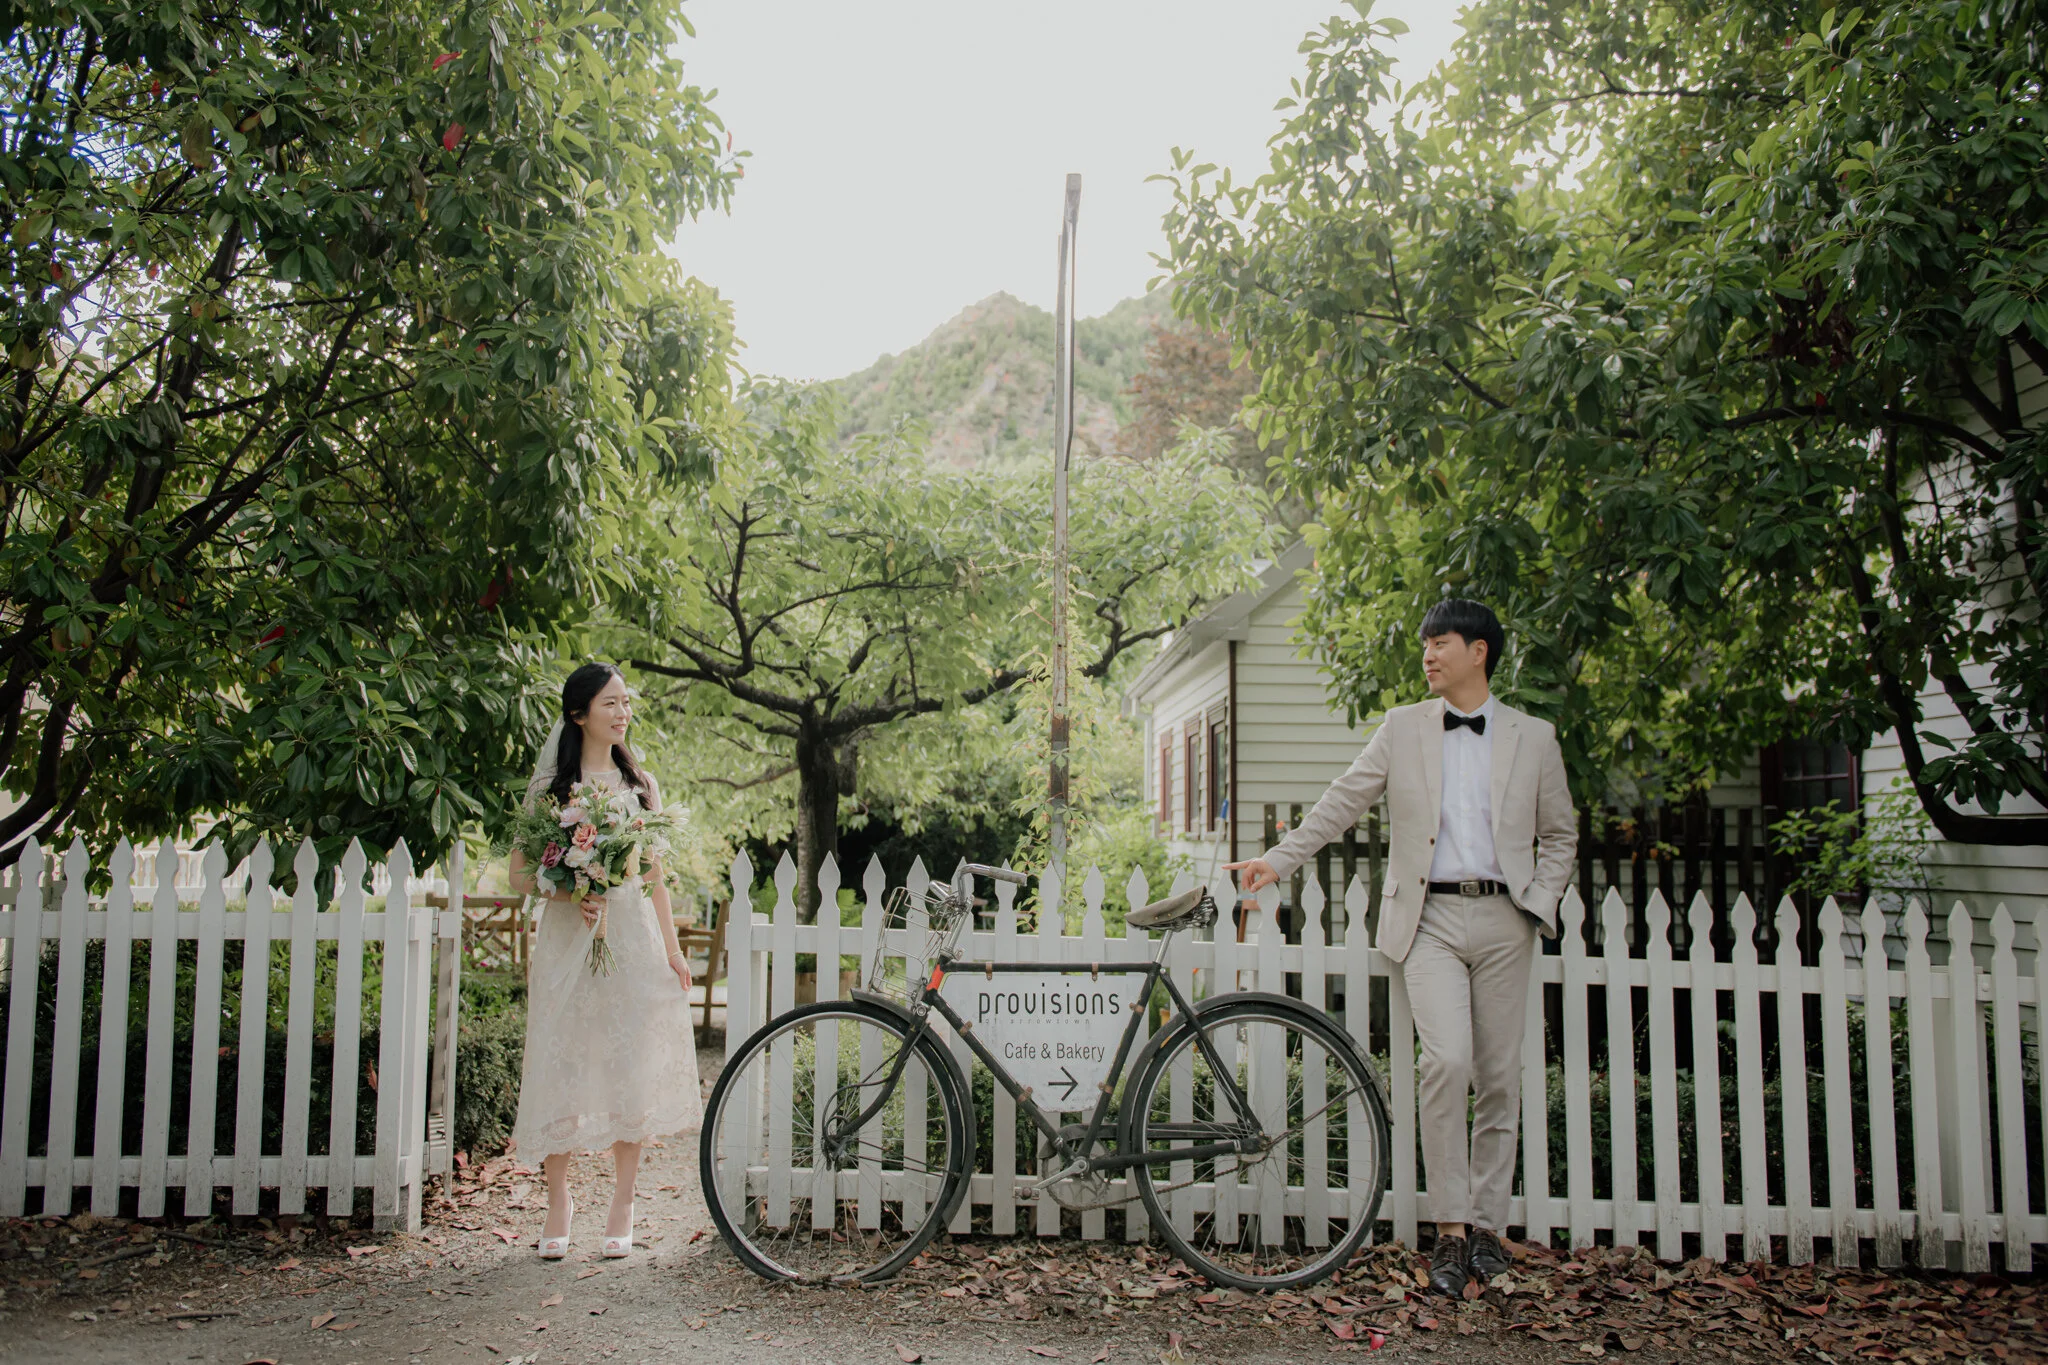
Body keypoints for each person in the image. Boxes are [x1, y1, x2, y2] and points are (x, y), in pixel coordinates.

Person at [1225, 599, 1576, 1297]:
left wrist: (1536, 903)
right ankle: (1448, 1231)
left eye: (1440, 642)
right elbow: (1342, 799)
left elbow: (1560, 834)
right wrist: (1280, 859)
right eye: (1425, 644)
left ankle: (1487, 1230)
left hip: (1506, 919)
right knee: (1447, 1061)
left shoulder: (1535, 738)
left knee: (1499, 1075)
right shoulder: (1401, 728)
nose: (1428, 655)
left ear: (1479, 651)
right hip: (1428, 920)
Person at [508, 662, 702, 1261]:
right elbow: (520, 873)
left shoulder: (640, 784)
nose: (622, 712)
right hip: (570, 939)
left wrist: (672, 950)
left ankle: (623, 1200)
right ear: (578, 714)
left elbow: (654, 876)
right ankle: (559, 1200)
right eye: (610, 703)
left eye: (625, 702)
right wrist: (573, 890)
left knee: (629, 1064)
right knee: (560, 1059)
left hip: (632, 940)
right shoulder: (550, 792)